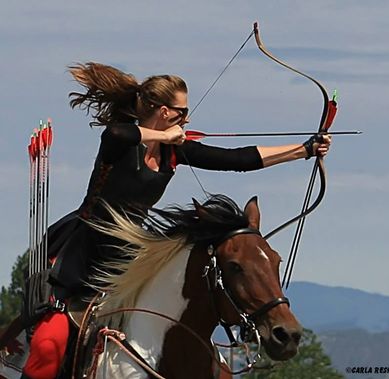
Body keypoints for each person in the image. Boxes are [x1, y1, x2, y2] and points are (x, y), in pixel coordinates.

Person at [7, 62, 332, 379]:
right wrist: (164, 137)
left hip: (131, 257)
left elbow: (238, 159)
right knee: (49, 346)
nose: (186, 118)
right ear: (163, 112)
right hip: (83, 258)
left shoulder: (174, 152)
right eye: (181, 112)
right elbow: (119, 132)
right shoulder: (120, 143)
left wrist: (304, 150)